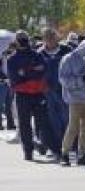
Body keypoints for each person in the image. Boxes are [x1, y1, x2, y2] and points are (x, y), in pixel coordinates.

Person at [6, 31, 56, 160]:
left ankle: (42, 145)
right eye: (21, 39)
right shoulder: (12, 59)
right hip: (23, 94)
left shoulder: (36, 55)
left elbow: (44, 70)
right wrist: (33, 70)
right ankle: (28, 151)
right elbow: (15, 78)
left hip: (37, 93)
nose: (23, 42)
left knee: (42, 123)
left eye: (24, 39)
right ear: (17, 41)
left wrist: (25, 72)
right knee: (25, 124)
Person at [58, 38, 85, 166]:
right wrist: (82, 80)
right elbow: (63, 79)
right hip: (74, 98)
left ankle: (82, 153)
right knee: (73, 127)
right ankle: (65, 153)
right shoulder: (68, 58)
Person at [38, 28, 72, 153]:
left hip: (64, 89)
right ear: (44, 39)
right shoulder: (40, 53)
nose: (50, 40)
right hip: (47, 91)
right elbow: (36, 71)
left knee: (66, 118)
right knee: (53, 119)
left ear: (56, 37)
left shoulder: (66, 50)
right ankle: (57, 146)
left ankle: (67, 144)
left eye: (52, 37)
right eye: (47, 38)